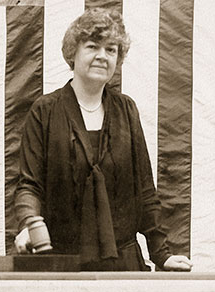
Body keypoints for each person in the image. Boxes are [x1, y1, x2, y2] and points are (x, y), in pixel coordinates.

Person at [13, 8, 192, 271]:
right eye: (93, 46)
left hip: (123, 263)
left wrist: (161, 254)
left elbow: (144, 190)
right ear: (73, 52)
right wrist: (29, 223)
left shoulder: (126, 110)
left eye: (111, 50)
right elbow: (29, 185)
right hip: (63, 264)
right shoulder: (45, 111)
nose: (102, 56)